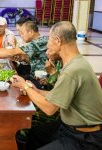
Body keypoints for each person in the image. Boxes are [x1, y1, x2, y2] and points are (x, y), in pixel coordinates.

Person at [10, 21, 102, 150]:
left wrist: (25, 86)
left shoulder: (73, 70)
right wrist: (35, 89)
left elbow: (49, 109)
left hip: (85, 137)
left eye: (49, 40)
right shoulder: (74, 63)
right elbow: (56, 96)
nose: (47, 45)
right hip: (67, 127)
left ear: (58, 41)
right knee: (33, 134)